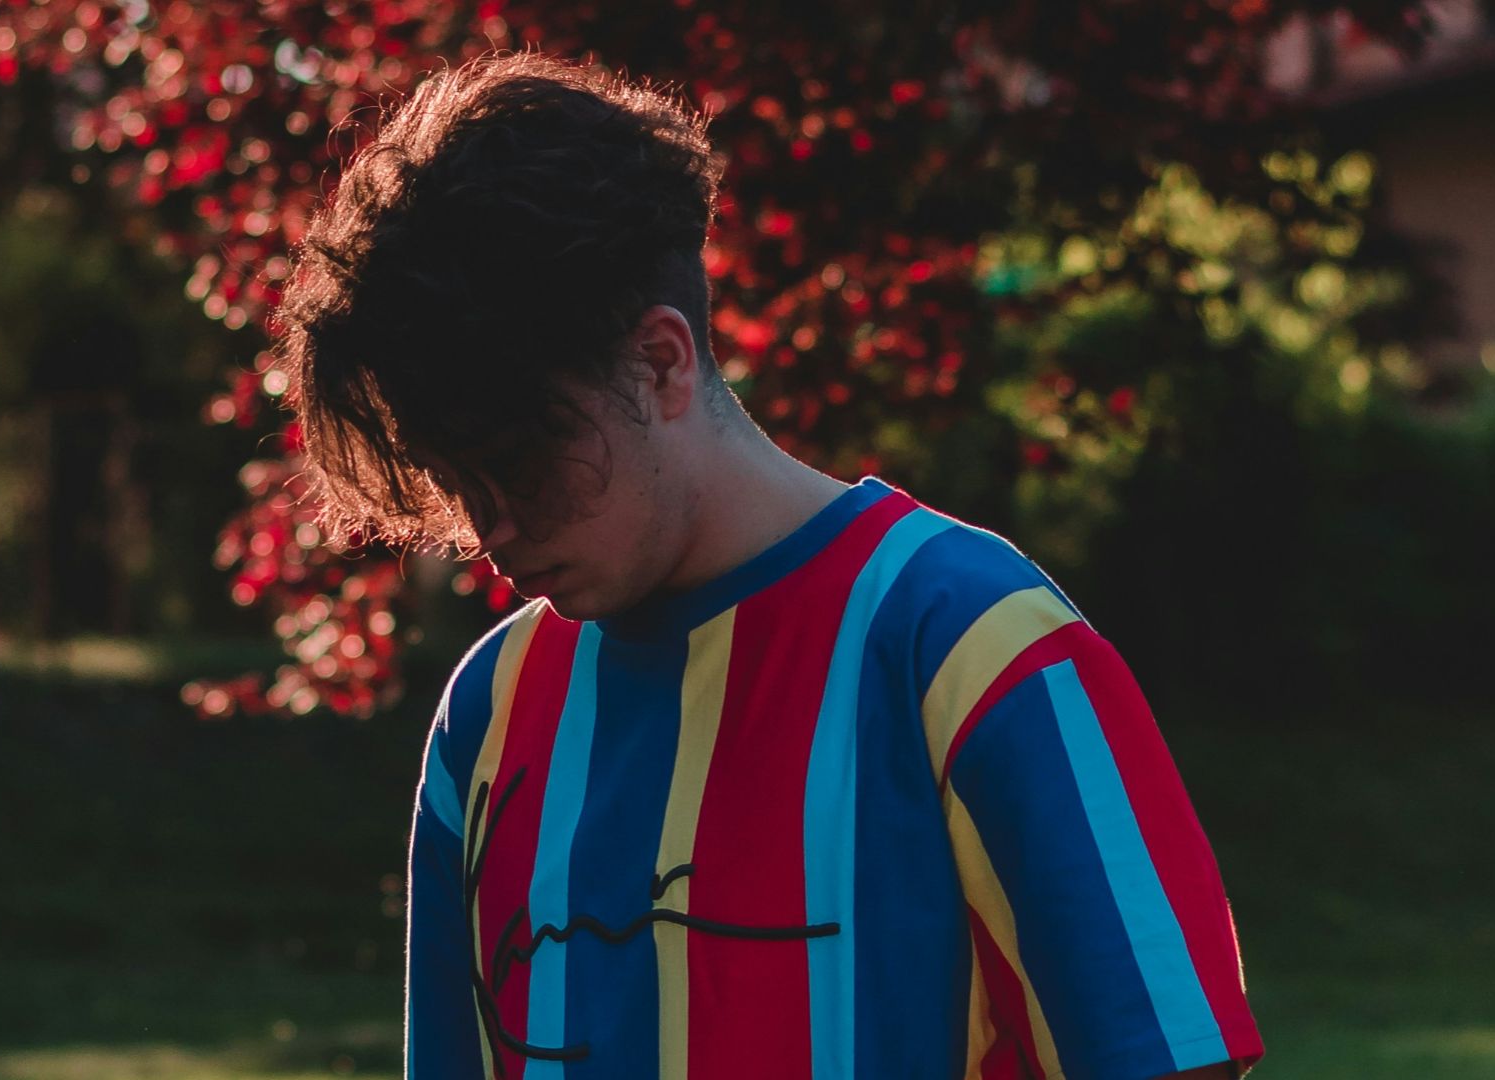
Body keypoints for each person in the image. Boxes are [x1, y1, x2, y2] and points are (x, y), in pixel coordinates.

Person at [273, 48, 1264, 1080]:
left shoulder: (973, 648)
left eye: (515, 465)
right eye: (453, 482)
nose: (493, 532)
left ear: (660, 361)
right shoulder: (486, 718)